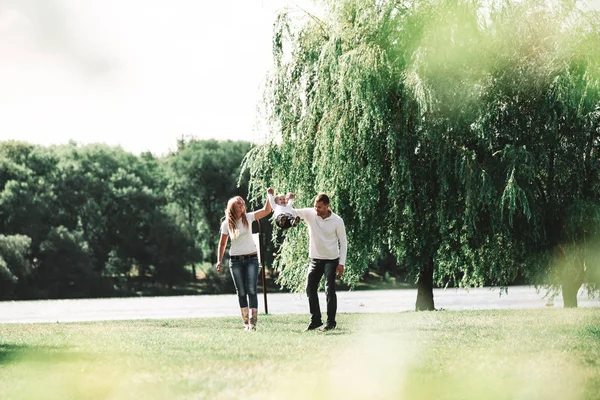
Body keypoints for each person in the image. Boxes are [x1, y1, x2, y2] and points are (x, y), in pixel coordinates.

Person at [216, 195, 271, 331]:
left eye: (242, 204)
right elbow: (222, 244)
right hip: (235, 261)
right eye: (238, 204)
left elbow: (266, 211)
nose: (241, 206)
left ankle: (253, 323)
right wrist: (219, 260)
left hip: (252, 259)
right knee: (241, 292)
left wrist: (270, 195)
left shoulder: (249, 217)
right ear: (232, 207)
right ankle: (245, 322)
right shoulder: (226, 224)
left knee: (251, 290)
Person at [294, 193, 347, 331]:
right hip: (315, 259)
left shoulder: (337, 221)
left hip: (331, 260)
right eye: (315, 206)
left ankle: (331, 323)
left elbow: (343, 243)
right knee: (310, 288)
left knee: (330, 289)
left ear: (327, 206)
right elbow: (293, 212)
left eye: (319, 207)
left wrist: (341, 263)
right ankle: (316, 320)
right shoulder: (310, 214)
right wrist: (287, 202)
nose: (316, 209)